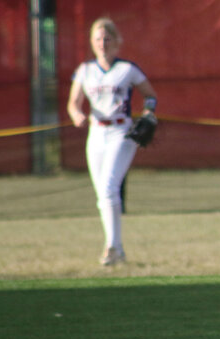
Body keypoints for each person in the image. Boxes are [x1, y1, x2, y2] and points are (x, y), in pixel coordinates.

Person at [66, 17, 158, 266]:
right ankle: (116, 248)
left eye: (107, 38)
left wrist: (149, 112)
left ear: (116, 41)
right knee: (102, 195)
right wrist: (76, 114)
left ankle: (112, 247)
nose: (102, 43)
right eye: (98, 38)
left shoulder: (127, 69)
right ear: (92, 42)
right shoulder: (85, 71)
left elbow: (150, 96)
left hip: (121, 132)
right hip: (96, 133)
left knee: (108, 189)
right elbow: (74, 102)